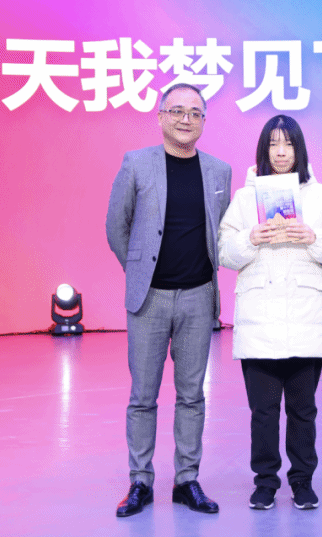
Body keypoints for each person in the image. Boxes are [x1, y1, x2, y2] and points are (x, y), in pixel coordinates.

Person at [106, 83, 232, 517]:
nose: (185, 119)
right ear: (160, 116)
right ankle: (140, 482)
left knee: (192, 395)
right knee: (143, 395)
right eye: (177, 111)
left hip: (199, 297)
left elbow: (221, 231)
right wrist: (141, 271)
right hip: (150, 300)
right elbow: (116, 226)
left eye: (194, 113)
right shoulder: (136, 163)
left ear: (203, 122)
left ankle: (186, 480)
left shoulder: (219, 171)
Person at [218, 115, 322, 511]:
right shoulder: (245, 198)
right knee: (263, 412)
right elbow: (223, 252)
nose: (280, 152)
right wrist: (250, 239)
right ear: (263, 149)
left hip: (305, 319)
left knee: (303, 411)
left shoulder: (318, 196)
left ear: (299, 149)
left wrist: (313, 237)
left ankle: (303, 482)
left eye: (288, 144)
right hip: (259, 320)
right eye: (273, 144)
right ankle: (265, 483)